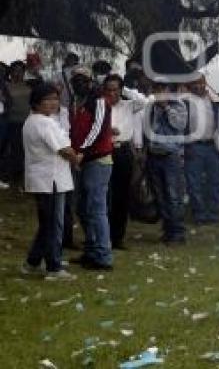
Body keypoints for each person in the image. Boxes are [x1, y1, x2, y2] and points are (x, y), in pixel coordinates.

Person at [20, 83, 82, 281]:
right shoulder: (45, 123)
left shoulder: (31, 121)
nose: (53, 103)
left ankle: (32, 262)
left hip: (40, 178)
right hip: (51, 179)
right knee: (54, 224)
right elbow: (64, 149)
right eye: (48, 99)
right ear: (37, 103)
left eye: (55, 99)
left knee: (47, 223)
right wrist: (76, 159)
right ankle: (54, 267)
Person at [68, 66, 115, 270]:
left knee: (96, 210)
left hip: (98, 160)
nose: (79, 83)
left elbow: (97, 129)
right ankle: (91, 250)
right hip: (83, 160)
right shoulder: (77, 102)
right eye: (75, 80)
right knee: (83, 209)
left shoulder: (99, 101)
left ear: (91, 81)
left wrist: (82, 151)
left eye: (83, 79)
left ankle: (103, 255)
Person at [103, 74, 146, 249]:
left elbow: (143, 101)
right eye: (108, 90)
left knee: (121, 195)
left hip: (123, 151)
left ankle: (117, 237)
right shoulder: (100, 106)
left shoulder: (129, 105)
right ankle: (102, 236)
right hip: (104, 150)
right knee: (104, 196)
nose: (111, 93)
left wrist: (125, 90)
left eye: (115, 90)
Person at [147, 78, 188, 244]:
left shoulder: (179, 105)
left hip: (171, 155)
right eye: (156, 89)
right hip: (153, 154)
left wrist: (166, 107)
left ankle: (178, 232)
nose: (159, 92)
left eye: (162, 89)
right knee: (160, 195)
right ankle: (167, 229)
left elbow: (180, 125)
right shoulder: (150, 106)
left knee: (173, 195)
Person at [184, 75, 219, 223]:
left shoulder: (214, 101)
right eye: (195, 83)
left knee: (216, 182)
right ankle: (199, 214)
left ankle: (213, 214)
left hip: (213, 147)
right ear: (190, 85)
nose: (198, 86)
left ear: (206, 83)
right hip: (194, 147)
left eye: (201, 83)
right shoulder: (186, 102)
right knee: (194, 184)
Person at [5, 60, 32, 187]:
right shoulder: (6, 86)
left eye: (21, 71)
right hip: (13, 122)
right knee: (16, 150)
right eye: (15, 70)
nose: (18, 73)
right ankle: (15, 178)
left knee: (28, 151)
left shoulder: (29, 85)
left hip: (29, 123)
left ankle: (26, 178)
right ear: (10, 72)